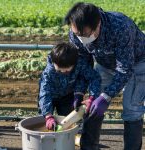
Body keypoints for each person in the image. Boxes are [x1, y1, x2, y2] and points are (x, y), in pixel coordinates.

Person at [65, 2, 145, 150]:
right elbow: (83, 63)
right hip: (105, 64)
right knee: (92, 104)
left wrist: (107, 95)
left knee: (132, 108)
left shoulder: (120, 27)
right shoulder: (75, 33)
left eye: (85, 35)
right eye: (77, 34)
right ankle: (88, 147)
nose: (81, 38)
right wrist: (79, 91)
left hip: (137, 63)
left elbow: (125, 68)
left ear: (97, 25)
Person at [38, 42, 101, 133]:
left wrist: (91, 97)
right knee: (45, 123)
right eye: (59, 70)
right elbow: (44, 93)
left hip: (68, 96)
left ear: (74, 64)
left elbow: (94, 78)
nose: (63, 72)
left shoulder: (80, 64)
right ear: (53, 61)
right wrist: (48, 115)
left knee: (67, 123)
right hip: (50, 97)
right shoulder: (49, 72)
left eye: (67, 71)